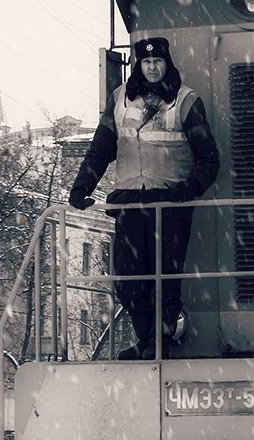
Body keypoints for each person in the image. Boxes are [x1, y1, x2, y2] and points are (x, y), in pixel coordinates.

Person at [69, 36, 220, 360]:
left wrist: (189, 188)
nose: (152, 67)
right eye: (147, 62)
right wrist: (83, 185)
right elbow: (102, 148)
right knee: (128, 278)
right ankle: (148, 338)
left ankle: (158, 342)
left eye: (158, 62)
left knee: (165, 276)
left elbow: (209, 158)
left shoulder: (186, 100)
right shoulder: (120, 99)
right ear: (139, 64)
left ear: (167, 64)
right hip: (130, 202)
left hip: (170, 202)